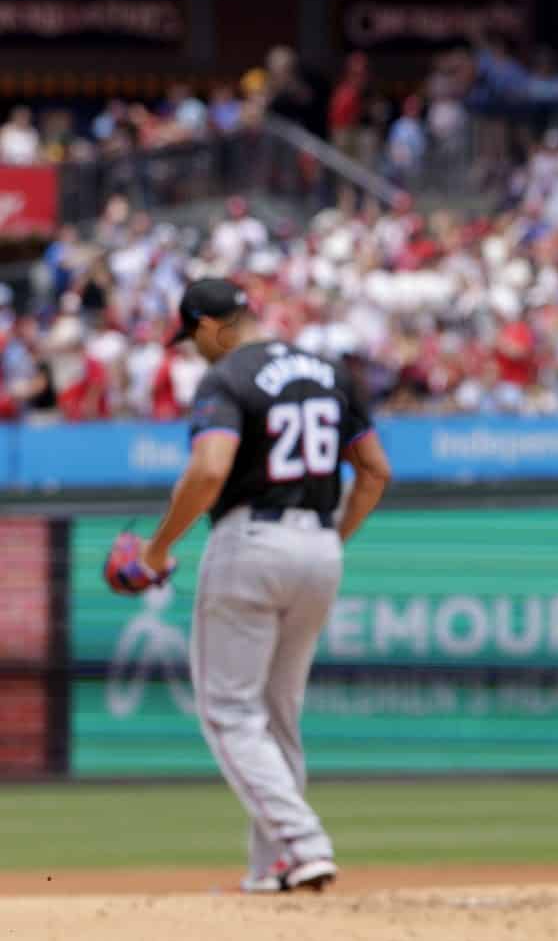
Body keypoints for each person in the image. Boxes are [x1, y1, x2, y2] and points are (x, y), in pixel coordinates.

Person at [102, 278, 394, 891]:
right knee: (278, 715)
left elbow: (210, 468)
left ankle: (303, 843)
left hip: (249, 541)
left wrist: (156, 551)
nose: (194, 349)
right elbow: (374, 472)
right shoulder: (327, 371)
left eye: (193, 337)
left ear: (211, 326)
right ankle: (272, 870)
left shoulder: (228, 378)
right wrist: (325, 544)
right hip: (320, 541)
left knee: (229, 712)